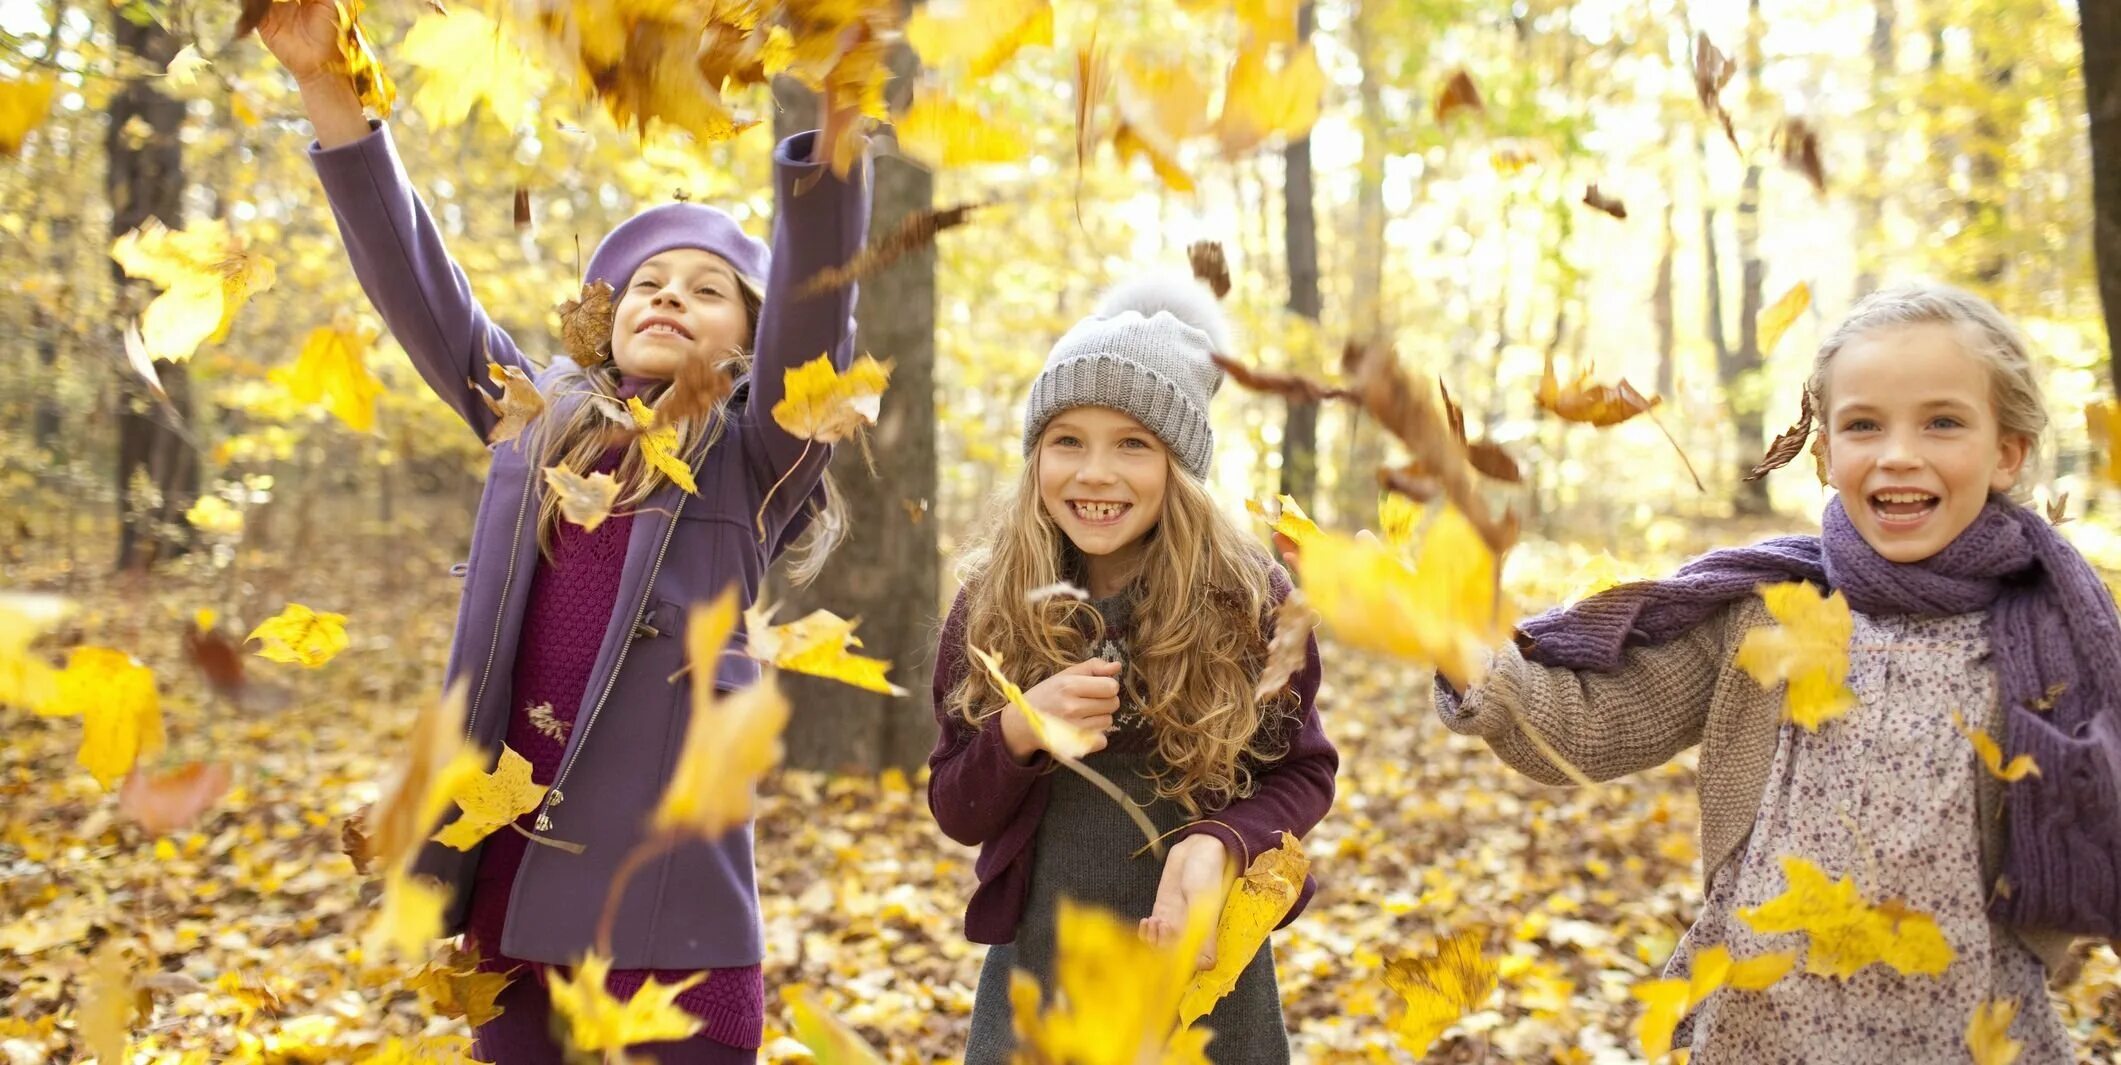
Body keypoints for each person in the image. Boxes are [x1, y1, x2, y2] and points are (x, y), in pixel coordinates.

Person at [258, 3, 872, 1058]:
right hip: (510, 884)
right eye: (647, 285)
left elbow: (818, 308)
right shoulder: (533, 419)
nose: (671, 296)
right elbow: (416, 282)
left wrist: (836, 107)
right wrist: (328, 84)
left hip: (669, 919)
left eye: (709, 290)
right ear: (604, 319)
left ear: (753, 338)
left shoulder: (757, 455)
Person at [1436, 282, 2118, 1062]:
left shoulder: (2055, 637)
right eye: (1863, 425)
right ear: (1824, 452)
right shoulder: (1767, 608)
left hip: (1966, 1030)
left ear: (2006, 452)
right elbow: (1595, 724)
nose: (1898, 452)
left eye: (1942, 421)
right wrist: (1475, 664)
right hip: (1766, 1026)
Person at [926, 273, 1339, 1063]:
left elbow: (1302, 774)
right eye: (1067, 440)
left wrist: (1222, 842)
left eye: (1132, 444)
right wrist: (1016, 729)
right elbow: (956, 805)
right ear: (1035, 454)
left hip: (1198, 978)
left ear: (1178, 464)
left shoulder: (1250, 598)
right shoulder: (994, 601)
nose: (1094, 472)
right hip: (1044, 978)